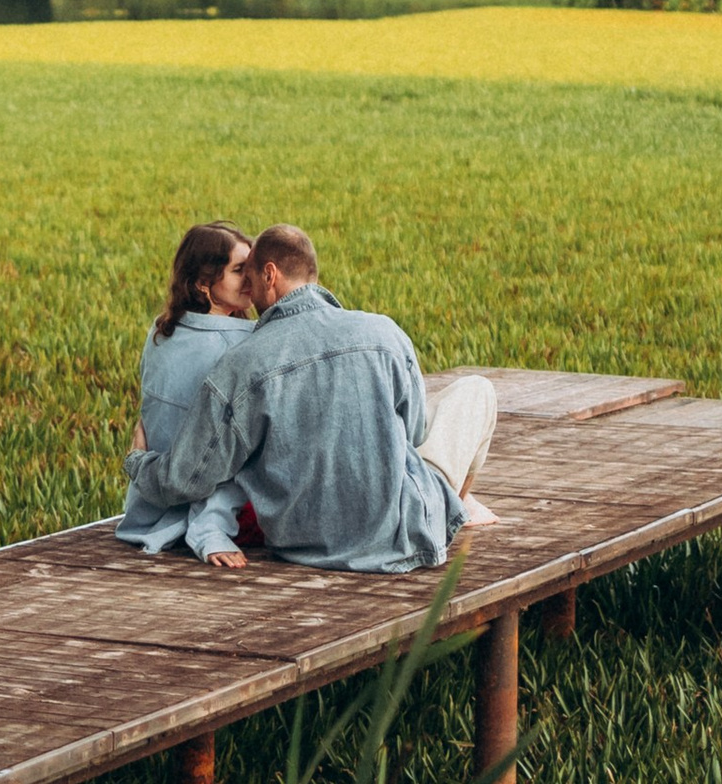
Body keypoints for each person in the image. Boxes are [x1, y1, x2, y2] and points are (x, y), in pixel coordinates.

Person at [121, 221, 499, 575]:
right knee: (475, 390)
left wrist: (139, 462)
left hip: (301, 543)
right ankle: (455, 503)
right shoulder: (384, 333)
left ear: (269, 275)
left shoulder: (241, 362)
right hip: (404, 533)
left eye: (249, 275)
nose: (249, 291)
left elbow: (188, 476)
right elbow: (414, 433)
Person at [115, 219, 260, 559]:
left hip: (147, 510)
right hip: (220, 511)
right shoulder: (244, 343)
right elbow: (231, 454)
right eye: (240, 270)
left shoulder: (162, 331)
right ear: (203, 284)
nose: (250, 280)